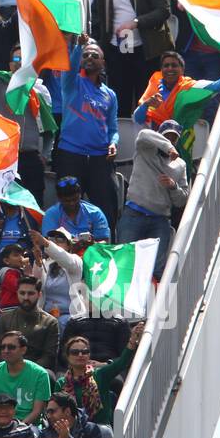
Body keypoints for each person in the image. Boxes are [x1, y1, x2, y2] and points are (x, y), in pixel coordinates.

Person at [90, 0, 173, 116]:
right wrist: (99, 43)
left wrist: (136, 23)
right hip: (115, 50)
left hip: (145, 50)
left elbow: (164, 10)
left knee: (146, 102)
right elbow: (97, 14)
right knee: (120, 102)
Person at [53, 38, 120, 230]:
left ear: (103, 63)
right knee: (67, 205)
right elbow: (69, 66)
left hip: (100, 157)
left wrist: (113, 142)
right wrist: (78, 47)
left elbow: (113, 129)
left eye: (95, 55)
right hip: (70, 154)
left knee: (107, 207)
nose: (89, 57)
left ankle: (106, 247)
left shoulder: (110, 95)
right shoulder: (71, 83)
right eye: (86, 55)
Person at [118, 121, 190, 278]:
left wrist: (173, 186)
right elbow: (144, 134)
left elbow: (182, 200)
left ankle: (154, 301)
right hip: (134, 214)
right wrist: (168, 148)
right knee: (124, 264)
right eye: (167, 137)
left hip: (160, 220)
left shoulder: (180, 165)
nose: (170, 141)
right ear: (159, 136)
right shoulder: (145, 149)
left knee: (157, 270)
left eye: (174, 139)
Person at [52, 321, 144, 426]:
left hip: (100, 429)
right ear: (67, 356)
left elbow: (122, 363)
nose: (80, 355)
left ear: (89, 355)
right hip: (71, 429)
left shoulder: (100, 375)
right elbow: (56, 411)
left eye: (85, 351)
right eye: (75, 352)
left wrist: (132, 341)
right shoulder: (61, 383)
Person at [0, 329, 53, 425]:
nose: (6, 351)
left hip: (29, 426)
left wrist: (19, 428)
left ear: (23, 350)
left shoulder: (40, 374)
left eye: (11, 347)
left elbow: (37, 411)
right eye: (3, 347)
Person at [0, 275, 61, 372]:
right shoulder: (5, 319)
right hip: (7, 370)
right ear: (17, 293)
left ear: (39, 295)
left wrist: (26, 371)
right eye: (22, 293)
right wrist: (13, 368)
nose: (26, 297)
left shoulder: (50, 322)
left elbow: (49, 356)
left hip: (37, 372)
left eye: (30, 293)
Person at [42, 176, 112, 241]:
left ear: (80, 195)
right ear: (59, 199)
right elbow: (48, 243)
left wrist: (90, 243)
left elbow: (104, 240)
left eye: (75, 199)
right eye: (67, 201)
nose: (72, 203)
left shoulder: (95, 213)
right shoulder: (51, 215)